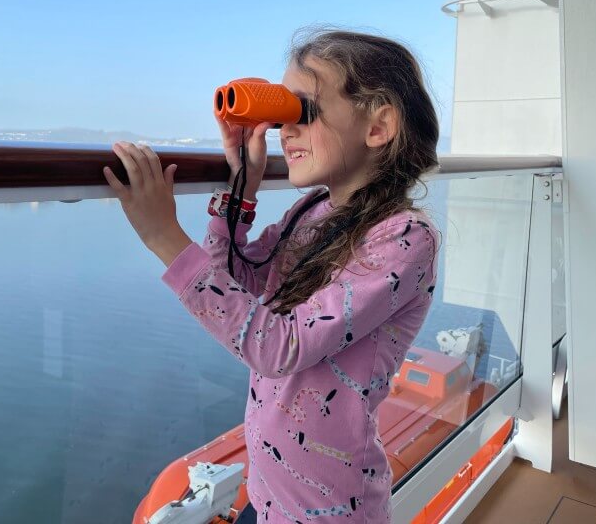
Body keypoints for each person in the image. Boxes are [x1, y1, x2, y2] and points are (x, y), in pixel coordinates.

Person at [103, 28, 442, 523]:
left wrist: (164, 237)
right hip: (268, 498)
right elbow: (234, 277)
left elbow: (279, 347)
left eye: (301, 111)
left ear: (378, 125)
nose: (285, 129)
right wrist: (243, 185)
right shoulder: (313, 211)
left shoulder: (405, 239)